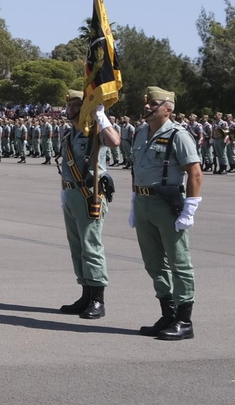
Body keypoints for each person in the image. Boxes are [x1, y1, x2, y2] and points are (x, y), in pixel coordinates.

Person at [129, 87, 202, 341]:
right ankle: (167, 313)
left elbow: (194, 172)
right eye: (146, 102)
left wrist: (190, 207)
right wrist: (133, 201)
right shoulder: (140, 133)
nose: (147, 106)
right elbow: (136, 169)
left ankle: (184, 319)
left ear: (168, 109)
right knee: (154, 263)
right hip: (143, 202)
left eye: (154, 103)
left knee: (179, 262)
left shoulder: (178, 135)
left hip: (166, 205)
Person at [56, 91, 120, 319]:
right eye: (69, 105)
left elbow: (114, 142)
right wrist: (64, 191)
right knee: (77, 247)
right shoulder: (69, 134)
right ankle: (85, 294)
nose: (71, 108)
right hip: (71, 195)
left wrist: (101, 118)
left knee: (91, 246)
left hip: (89, 195)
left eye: (76, 105)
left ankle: (97, 299)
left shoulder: (94, 131)